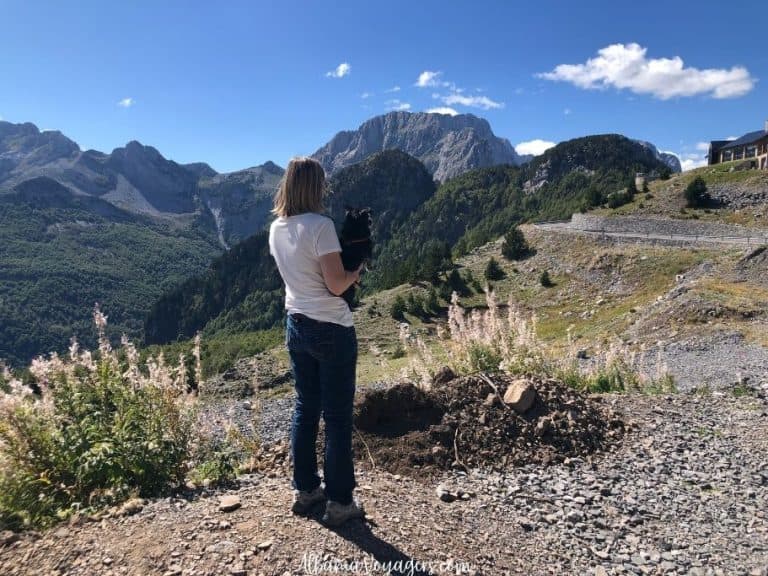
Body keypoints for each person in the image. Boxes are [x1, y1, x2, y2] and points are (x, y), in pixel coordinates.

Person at [268, 156, 365, 527]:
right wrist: (356, 272)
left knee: (305, 408)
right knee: (337, 417)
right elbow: (336, 284)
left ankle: (306, 490)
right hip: (331, 326)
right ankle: (340, 502)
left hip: (295, 323)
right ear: (315, 186)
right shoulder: (321, 226)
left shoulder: (277, 227)